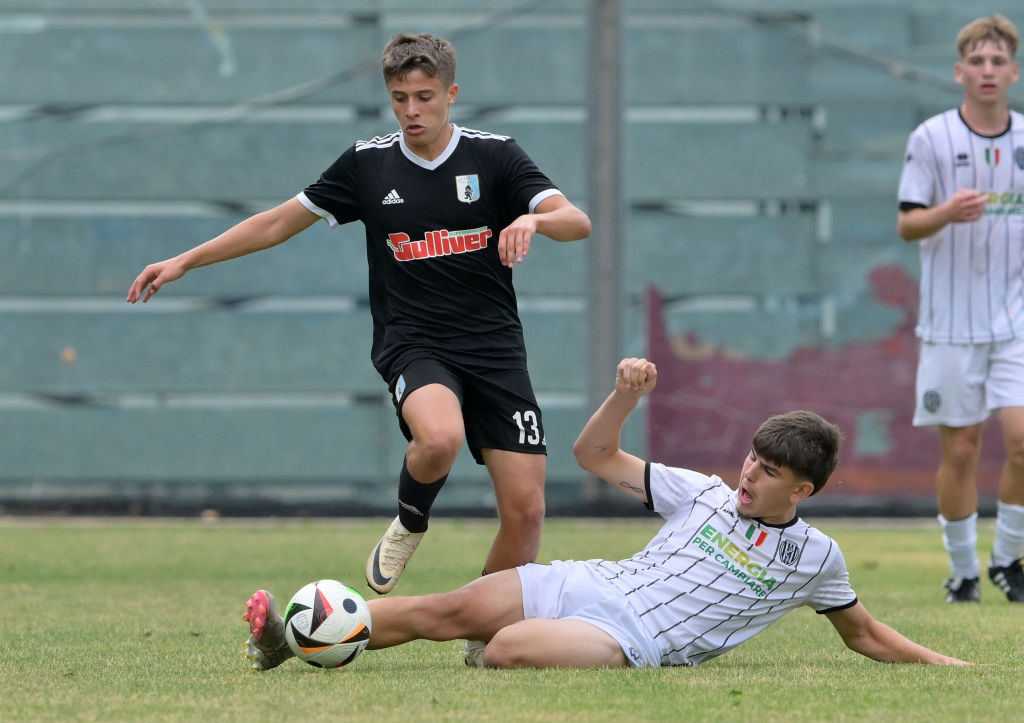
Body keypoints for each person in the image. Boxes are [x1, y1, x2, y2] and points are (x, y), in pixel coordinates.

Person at [126, 32, 591, 610]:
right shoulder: (369, 165)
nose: (412, 110)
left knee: (525, 513)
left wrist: (536, 222)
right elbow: (276, 223)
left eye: (424, 96)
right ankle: (410, 520)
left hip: (495, 349)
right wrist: (184, 261)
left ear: (451, 92)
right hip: (414, 342)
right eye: (400, 98)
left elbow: (577, 221)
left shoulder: (494, 156)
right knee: (439, 437)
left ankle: (483, 625)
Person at [242, 358, 967, 670]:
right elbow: (594, 455)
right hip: (586, 581)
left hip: (631, 635)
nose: (748, 473)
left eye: (768, 471)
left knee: (501, 649)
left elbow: (864, 634)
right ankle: (293, 640)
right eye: (752, 457)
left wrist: (944, 662)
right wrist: (626, 397)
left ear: (801, 490)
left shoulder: (816, 557)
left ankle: (497, 633)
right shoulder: (705, 490)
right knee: (444, 608)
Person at [897, 14, 1024, 604]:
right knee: (963, 449)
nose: (988, 70)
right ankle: (964, 573)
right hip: (950, 322)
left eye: (998, 61)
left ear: (1014, 71)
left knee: (1022, 442)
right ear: (959, 71)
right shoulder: (931, 138)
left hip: (1016, 321)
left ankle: (1007, 560)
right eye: (978, 61)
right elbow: (907, 223)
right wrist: (947, 211)